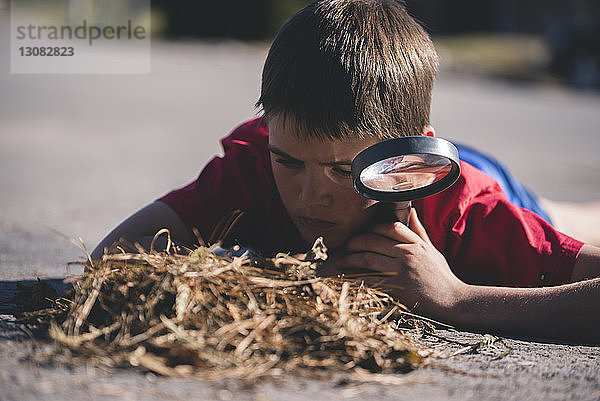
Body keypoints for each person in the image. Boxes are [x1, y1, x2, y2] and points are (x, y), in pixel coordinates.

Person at [91, 0, 600, 344]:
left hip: (468, 175)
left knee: (568, 219)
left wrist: (458, 298)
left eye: (340, 171)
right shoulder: (253, 167)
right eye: (290, 162)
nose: (311, 198)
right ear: (269, 130)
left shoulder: (463, 209)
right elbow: (110, 256)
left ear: (408, 150)